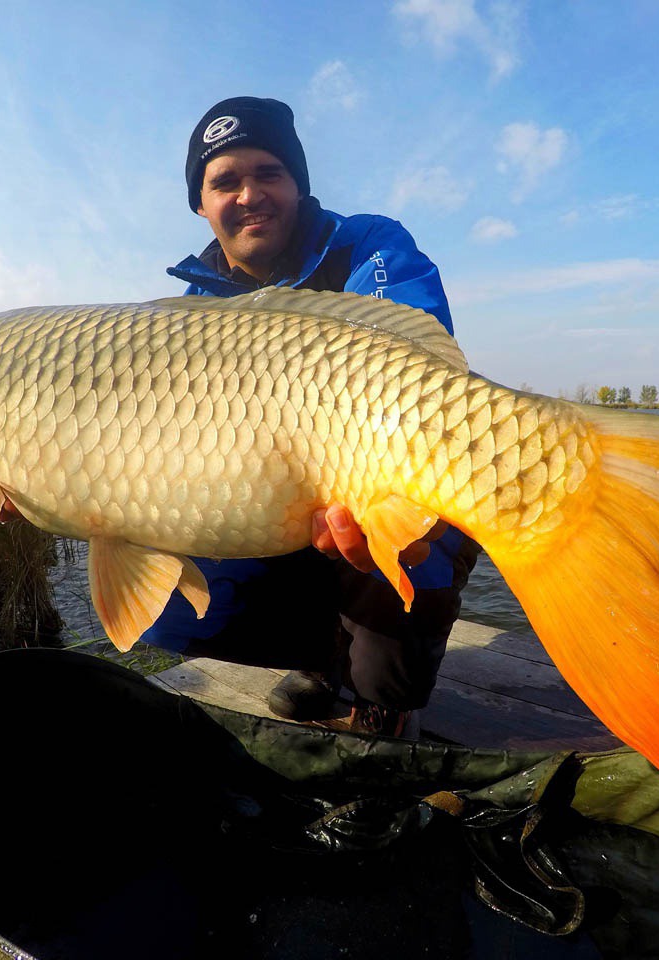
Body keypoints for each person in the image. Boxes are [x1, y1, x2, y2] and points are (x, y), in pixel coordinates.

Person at [140, 96, 480, 736]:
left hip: (389, 474)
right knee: (175, 608)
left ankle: (383, 697)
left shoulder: (367, 245)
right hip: (271, 496)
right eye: (225, 181)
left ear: (297, 184)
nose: (249, 194)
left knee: (404, 534)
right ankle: (326, 661)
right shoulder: (188, 306)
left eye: (268, 173)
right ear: (200, 202)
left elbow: (418, 367)